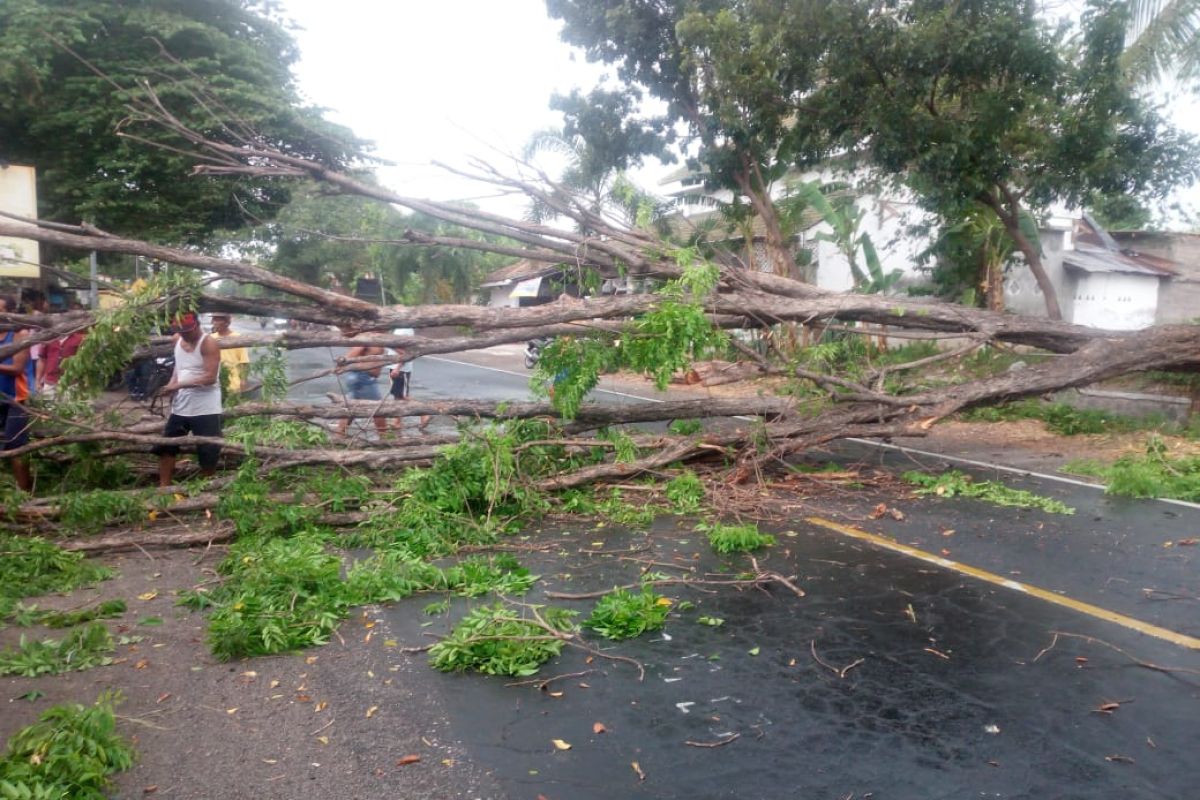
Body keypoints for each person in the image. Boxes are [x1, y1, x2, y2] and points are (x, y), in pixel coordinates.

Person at [152, 312, 222, 487]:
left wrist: (178, 386)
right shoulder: (177, 339)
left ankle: (207, 489)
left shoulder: (208, 343)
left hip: (206, 408)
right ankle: (164, 488)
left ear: (197, 325)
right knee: (167, 446)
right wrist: (171, 384)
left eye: (187, 331)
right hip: (181, 406)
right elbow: (179, 365)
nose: (184, 335)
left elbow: (210, 377)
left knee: (208, 450)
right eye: (181, 331)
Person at [0, 296, 34, 490]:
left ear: (10, 313)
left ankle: (24, 494)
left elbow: (17, 368)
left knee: (17, 446)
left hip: (15, 399)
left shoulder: (20, 335)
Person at [334, 327, 388, 439]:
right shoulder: (368, 337)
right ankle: (385, 439)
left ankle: (339, 435)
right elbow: (353, 352)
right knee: (378, 409)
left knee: (351, 408)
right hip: (363, 378)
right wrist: (341, 364)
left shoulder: (379, 338)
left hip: (361, 378)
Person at [387, 328, 430, 433]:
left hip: (401, 369)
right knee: (398, 396)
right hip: (395, 367)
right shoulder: (399, 328)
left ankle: (424, 413)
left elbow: (406, 352)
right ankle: (397, 421)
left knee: (403, 396)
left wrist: (398, 368)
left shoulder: (405, 330)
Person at [209, 313, 251, 395]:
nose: (213, 322)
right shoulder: (211, 338)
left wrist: (243, 381)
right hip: (216, 383)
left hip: (233, 384)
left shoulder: (237, 338)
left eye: (216, 319)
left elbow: (244, 362)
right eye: (213, 319)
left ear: (227, 322)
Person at [39, 328, 86, 398]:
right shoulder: (49, 338)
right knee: (47, 406)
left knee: (68, 406)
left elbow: (84, 361)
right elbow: (42, 360)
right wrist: (37, 380)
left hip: (70, 382)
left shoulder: (79, 339)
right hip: (50, 380)